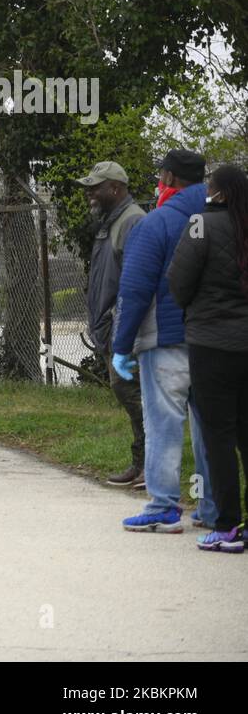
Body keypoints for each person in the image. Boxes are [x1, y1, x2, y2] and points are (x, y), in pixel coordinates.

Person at [113, 149, 217, 533]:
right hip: (213, 341)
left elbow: (136, 289)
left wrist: (122, 345)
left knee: (163, 424)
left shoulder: (156, 223)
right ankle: (211, 505)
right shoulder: (222, 219)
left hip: (165, 339)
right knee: (210, 426)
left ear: (169, 179)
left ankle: (164, 505)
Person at [168, 164, 248, 552]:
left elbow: (179, 283)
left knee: (218, 435)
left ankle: (227, 525)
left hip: (212, 343)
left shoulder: (200, 224)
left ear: (214, 192)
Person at [77, 161, 148, 487]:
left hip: (124, 327)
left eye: (96, 187)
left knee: (130, 390)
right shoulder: (111, 222)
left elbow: (135, 282)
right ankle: (142, 463)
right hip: (110, 325)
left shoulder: (132, 221)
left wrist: (120, 325)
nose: (90, 192)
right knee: (126, 390)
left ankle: (149, 464)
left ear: (116, 188)